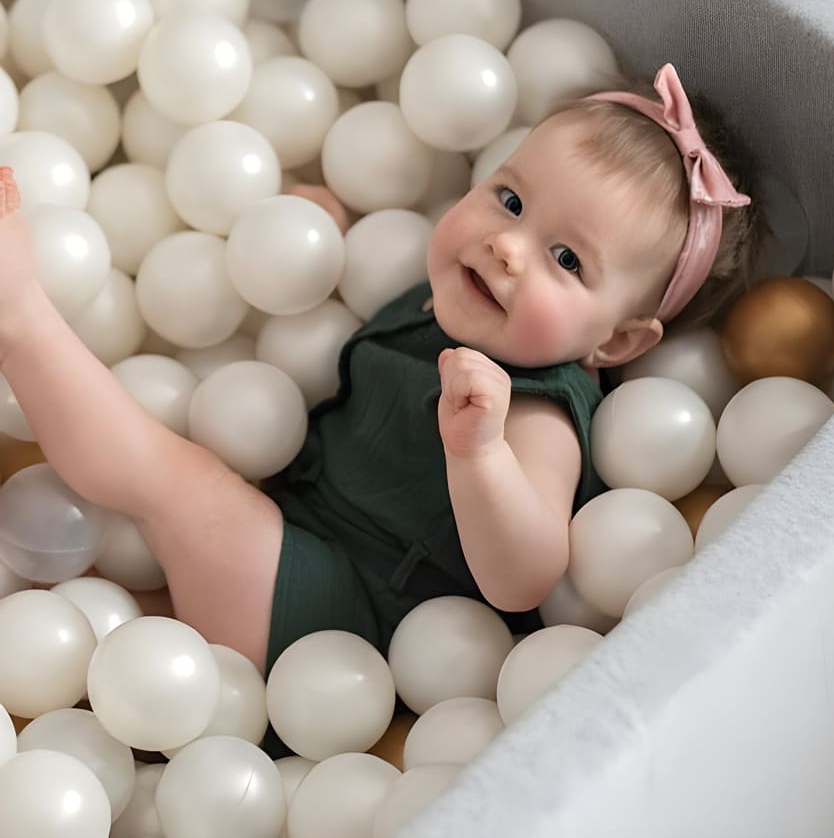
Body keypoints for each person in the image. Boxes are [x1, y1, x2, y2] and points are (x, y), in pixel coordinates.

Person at [0, 62, 758, 684]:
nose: (507, 247)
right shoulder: (454, 290)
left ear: (617, 345)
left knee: (179, 486)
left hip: (336, 627)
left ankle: (22, 318)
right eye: (510, 198)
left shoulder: (534, 412)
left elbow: (525, 576)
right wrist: (321, 231)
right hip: (283, 550)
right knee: (80, 634)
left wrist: (481, 453)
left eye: (567, 260)